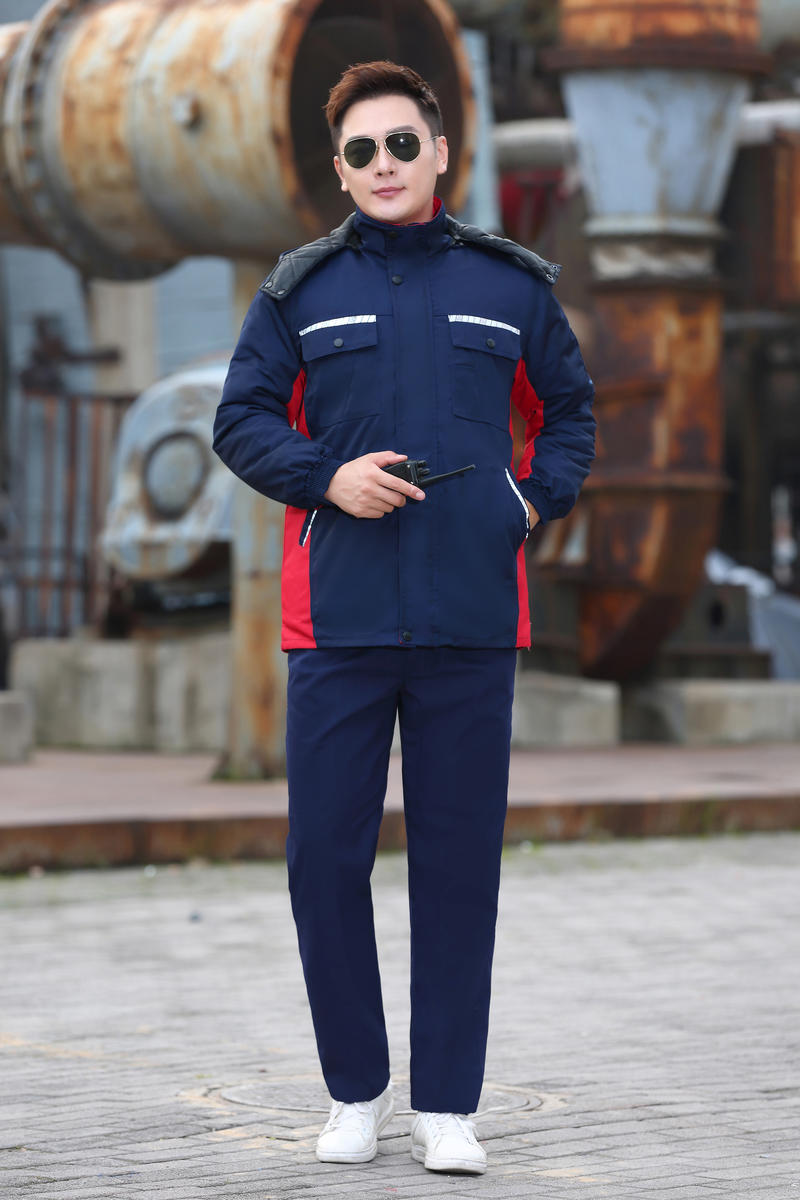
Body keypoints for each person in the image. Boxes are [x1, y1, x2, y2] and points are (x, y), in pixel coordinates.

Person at [212, 60, 595, 1175]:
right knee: (322, 863)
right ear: (340, 171)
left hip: (470, 618)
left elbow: (569, 411)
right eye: (360, 151)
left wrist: (527, 502)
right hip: (337, 622)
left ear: (439, 154)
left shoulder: (509, 287)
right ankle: (354, 1091)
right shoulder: (298, 292)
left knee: (459, 866)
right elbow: (241, 419)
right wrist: (324, 478)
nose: (382, 164)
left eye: (400, 144)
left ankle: (447, 1107)